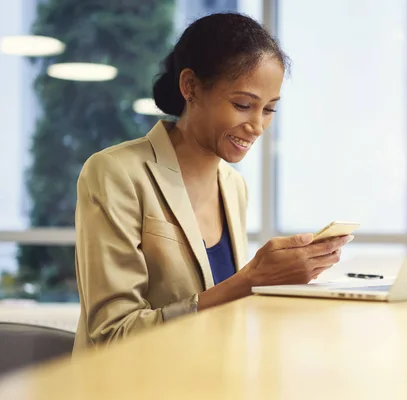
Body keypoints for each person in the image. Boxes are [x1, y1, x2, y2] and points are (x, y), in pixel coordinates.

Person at [73, 12, 353, 352]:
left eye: (268, 110)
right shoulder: (115, 173)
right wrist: (251, 280)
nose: (257, 125)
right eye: (242, 105)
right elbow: (112, 336)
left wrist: (282, 284)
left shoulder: (234, 186)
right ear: (190, 86)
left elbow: (222, 312)